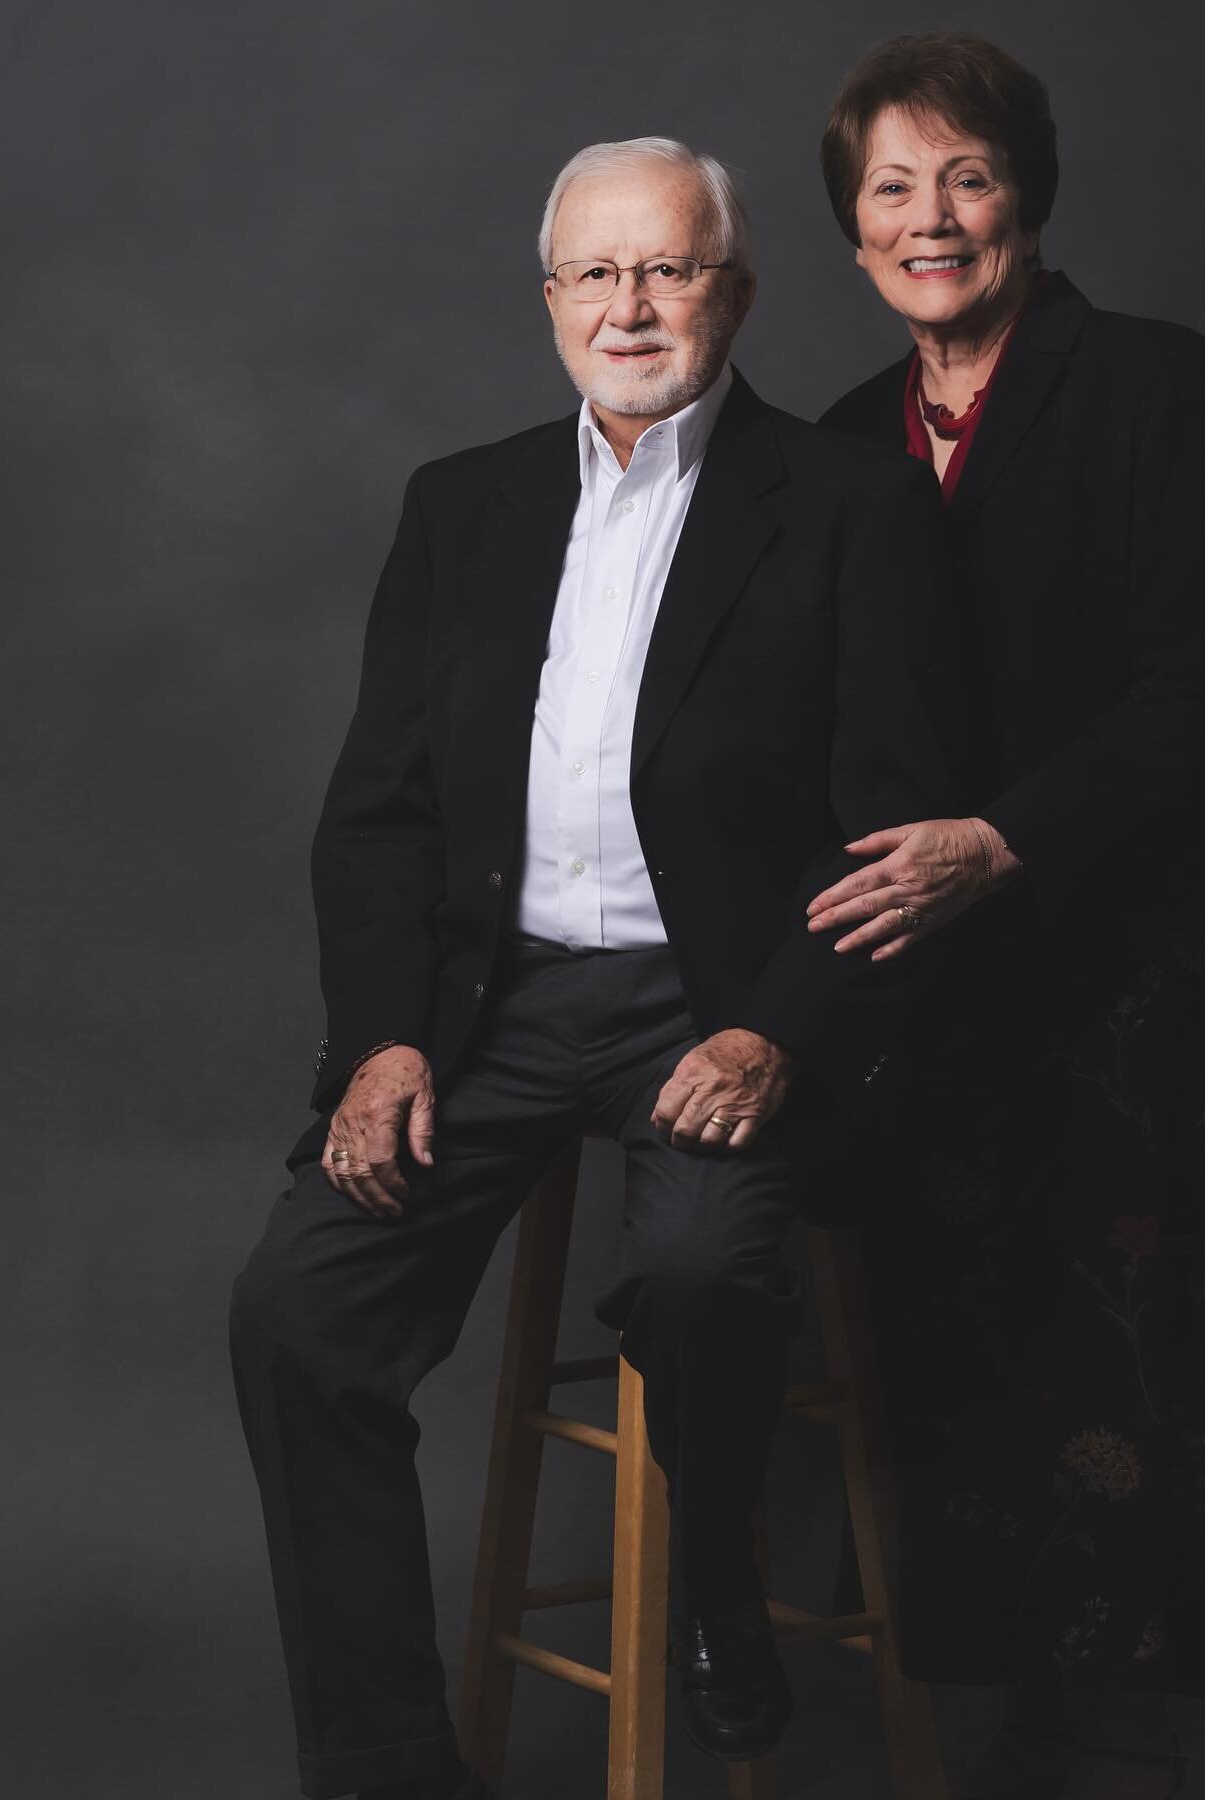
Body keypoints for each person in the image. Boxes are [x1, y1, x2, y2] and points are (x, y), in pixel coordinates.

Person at [228, 136, 954, 1800]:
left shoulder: (848, 503)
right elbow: (379, 819)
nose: (631, 307)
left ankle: (714, 1584)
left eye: (669, 268)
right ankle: (390, 1761)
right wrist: (381, 1046)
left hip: (721, 1004)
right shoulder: (462, 503)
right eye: (595, 274)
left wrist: (779, 1024)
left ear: (737, 289)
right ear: (551, 299)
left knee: (700, 1280)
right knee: (294, 1320)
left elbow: (889, 815)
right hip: (487, 1013)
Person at [809, 33, 1205, 1800]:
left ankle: (1123, 1737)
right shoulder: (852, 436)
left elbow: (1199, 693)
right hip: (926, 977)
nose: (936, 219)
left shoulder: (1153, 381)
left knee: (1119, 1355)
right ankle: (1013, 1723)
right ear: (855, 238)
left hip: (1112, 951)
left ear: (1031, 195)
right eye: (895, 191)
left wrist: (999, 843)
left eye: (970, 177)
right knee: (954, 1339)